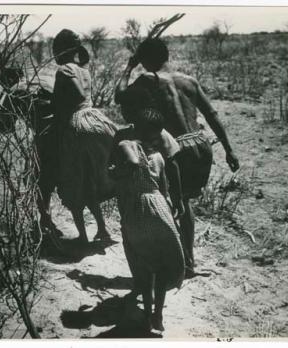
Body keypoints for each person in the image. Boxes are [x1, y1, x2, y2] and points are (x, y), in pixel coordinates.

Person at [115, 37, 239, 277]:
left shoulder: (146, 81)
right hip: (200, 146)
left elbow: (119, 96)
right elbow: (211, 115)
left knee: (170, 201)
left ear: (145, 60)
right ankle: (188, 261)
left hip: (175, 148)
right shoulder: (188, 81)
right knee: (185, 202)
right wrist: (229, 148)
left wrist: (129, 67)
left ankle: (174, 261)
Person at [109, 107, 185, 334]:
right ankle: (158, 314)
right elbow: (164, 189)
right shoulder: (159, 157)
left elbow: (132, 163)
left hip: (137, 210)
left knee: (142, 263)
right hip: (160, 208)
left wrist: (116, 173)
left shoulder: (125, 145)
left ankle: (146, 314)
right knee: (162, 265)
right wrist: (172, 208)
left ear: (134, 126)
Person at [52, 29, 118, 243]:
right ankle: (102, 229)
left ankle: (82, 236)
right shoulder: (84, 71)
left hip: (76, 126)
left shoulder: (63, 71)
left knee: (73, 181)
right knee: (91, 180)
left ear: (60, 50)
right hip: (97, 120)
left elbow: (58, 103)